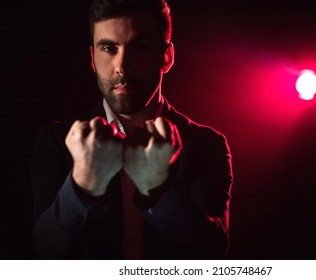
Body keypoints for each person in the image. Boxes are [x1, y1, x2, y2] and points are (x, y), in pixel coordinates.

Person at [31, 0, 233, 259]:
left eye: (139, 47)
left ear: (166, 57)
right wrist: (82, 185)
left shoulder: (206, 144)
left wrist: (158, 190)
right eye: (109, 48)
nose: (122, 67)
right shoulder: (56, 141)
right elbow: (41, 254)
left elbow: (213, 254)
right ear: (92, 58)